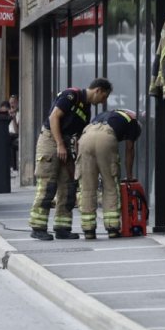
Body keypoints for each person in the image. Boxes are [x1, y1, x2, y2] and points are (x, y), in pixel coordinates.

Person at [29, 79, 111, 240]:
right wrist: (59, 144)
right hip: (51, 140)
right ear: (98, 90)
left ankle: (62, 228)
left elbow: (79, 136)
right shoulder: (71, 96)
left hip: (66, 143)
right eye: (104, 97)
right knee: (48, 185)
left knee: (68, 187)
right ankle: (38, 227)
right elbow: (54, 118)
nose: (103, 101)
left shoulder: (86, 110)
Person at [76, 108, 142, 240]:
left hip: (85, 136)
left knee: (87, 187)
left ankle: (88, 229)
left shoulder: (107, 115)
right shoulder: (133, 122)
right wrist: (129, 176)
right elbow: (129, 149)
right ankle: (112, 228)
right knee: (110, 186)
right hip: (105, 137)